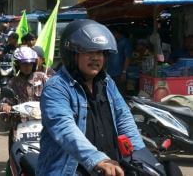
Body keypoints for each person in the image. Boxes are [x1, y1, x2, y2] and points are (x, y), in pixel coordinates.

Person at [38, 19, 146, 176]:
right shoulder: (56, 87)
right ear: (72, 55)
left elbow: (124, 119)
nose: (96, 58)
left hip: (111, 167)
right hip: (70, 169)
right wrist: (95, 158)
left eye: (100, 52)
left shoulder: (107, 83)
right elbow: (63, 127)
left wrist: (140, 155)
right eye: (89, 52)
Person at [0, 46, 47, 114]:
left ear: (33, 64)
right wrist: (5, 106)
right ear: (18, 65)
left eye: (30, 64)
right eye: (24, 64)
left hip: (42, 118)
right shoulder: (13, 82)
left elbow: (53, 95)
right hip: (21, 120)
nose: (27, 67)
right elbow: (5, 101)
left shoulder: (42, 78)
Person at [107, 27, 132, 94]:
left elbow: (127, 58)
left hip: (119, 73)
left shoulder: (125, 42)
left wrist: (124, 72)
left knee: (120, 92)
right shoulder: (112, 42)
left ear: (117, 33)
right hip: (110, 72)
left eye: (112, 34)